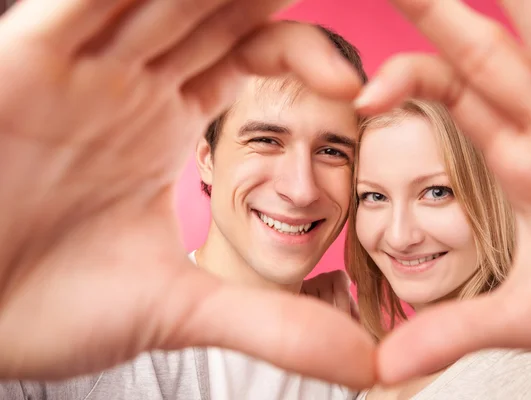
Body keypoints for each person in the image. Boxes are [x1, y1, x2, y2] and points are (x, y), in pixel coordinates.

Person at [0, 0, 375, 388]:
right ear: (206, 159)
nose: (301, 190)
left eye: (332, 152)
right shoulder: (89, 329)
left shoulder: (366, 367)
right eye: (265, 140)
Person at [351, 0, 531, 385]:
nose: (400, 236)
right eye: (374, 197)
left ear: (496, 194)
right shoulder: (378, 366)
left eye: (436, 192)